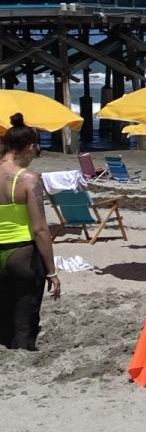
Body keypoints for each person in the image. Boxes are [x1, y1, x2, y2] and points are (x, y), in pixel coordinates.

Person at [0, 114, 58, 350]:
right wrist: (52, 272)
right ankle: (23, 351)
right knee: (25, 314)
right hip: (21, 253)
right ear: (29, 147)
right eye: (36, 149)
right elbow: (40, 230)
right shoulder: (28, 179)